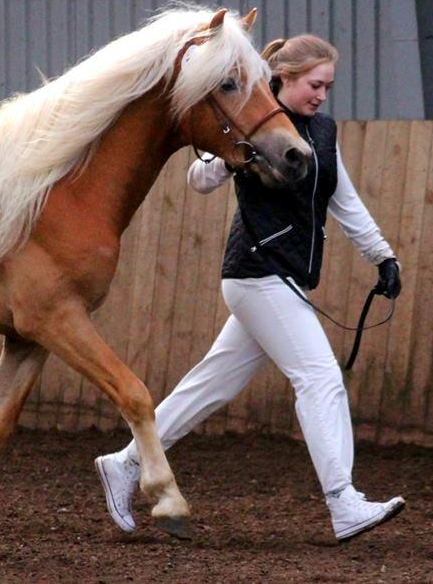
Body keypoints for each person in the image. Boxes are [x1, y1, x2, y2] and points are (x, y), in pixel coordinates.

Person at [95, 35, 404, 541]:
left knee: (211, 385)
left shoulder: (322, 133)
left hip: (283, 279)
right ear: (282, 78)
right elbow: (198, 178)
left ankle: (127, 462)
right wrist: (228, 160)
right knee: (320, 377)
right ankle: (343, 501)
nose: (322, 95)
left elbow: (343, 201)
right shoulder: (245, 122)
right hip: (258, 273)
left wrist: (382, 255)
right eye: (314, 84)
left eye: (327, 86)